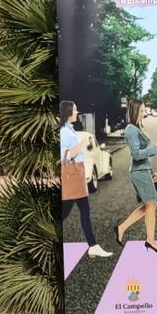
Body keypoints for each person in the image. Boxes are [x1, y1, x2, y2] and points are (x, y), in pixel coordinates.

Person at [115, 100, 157, 253]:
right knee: (152, 204)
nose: (144, 113)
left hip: (143, 171)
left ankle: (122, 228)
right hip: (138, 173)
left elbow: (143, 156)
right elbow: (136, 154)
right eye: (141, 111)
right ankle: (150, 240)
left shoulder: (137, 128)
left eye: (144, 110)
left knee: (149, 204)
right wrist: (156, 146)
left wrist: (152, 170)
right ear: (134, 112)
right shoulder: (131, 129)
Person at [60, 101, 111, 258]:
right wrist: (81, 144)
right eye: (75, 109)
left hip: (78, 173)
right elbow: (66, 156)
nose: (77, 111)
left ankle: (93, 246)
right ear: (68, 112)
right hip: (73, 175)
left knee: (84, 210)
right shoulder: (64, 132)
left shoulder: (70, 129)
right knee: (65, 211)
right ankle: (93, 246)